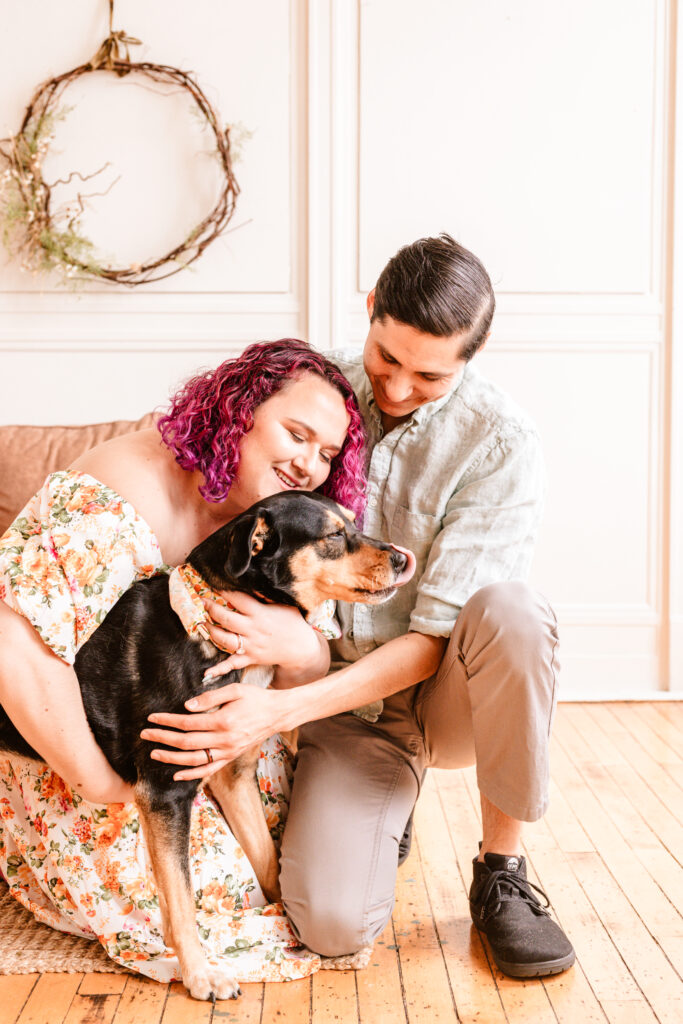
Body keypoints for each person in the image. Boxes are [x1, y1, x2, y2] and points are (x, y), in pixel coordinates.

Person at [142, 235, 575, 980]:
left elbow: (434, 639)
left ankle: (502, 868)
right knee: (332, 924)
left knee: (514, 611)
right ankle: (382, 820)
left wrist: (274, 712)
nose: (398, 388)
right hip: (329, 705)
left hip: (437, 693)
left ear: (472, 356)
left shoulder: (501, 443)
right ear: (371, 310)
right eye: (386, 358)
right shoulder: (312, 395)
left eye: (429, 374)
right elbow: (209, 477)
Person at [0, 339, 368, 983]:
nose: (310, 464)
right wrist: (101, 782)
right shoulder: (121, 494)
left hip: (223, 748)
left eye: (327, 453)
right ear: (240, 412)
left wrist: (300, 648)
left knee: (308, 888)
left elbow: (303, 679)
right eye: (297, 434)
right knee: (215, 902)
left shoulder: (284, 525)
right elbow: (10, 639)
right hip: (79, 752)